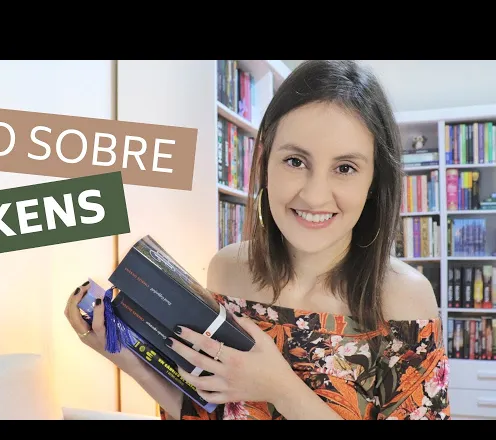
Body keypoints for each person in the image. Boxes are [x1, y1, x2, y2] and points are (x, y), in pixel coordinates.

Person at [64, 59, 451, 420]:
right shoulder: (228, 269)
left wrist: (281, 389)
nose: (315, 196)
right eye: (295, 161)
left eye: (345, 168)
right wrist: (124, 354)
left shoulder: (404, 297)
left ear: (373, 181)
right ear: (264, 161)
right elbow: (206, 411)